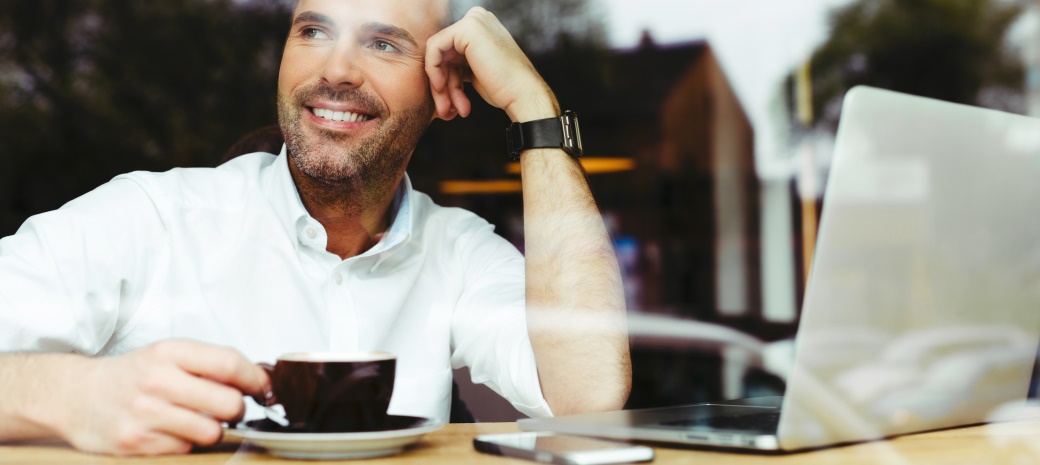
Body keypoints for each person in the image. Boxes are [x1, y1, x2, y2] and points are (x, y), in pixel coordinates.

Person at [0, 0, 630, 456]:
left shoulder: (460, 252)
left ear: (444, 88)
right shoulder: (149, 217)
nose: (336, 69)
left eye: (383, 43)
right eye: (314, 31)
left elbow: (588, 397)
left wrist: (534, 112)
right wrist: (77, 395)